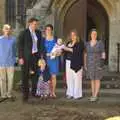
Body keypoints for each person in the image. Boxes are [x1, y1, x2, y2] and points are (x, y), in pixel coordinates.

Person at [18, 17, 43, 102]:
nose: (35, 26)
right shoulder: (23, 33)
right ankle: (25, 95)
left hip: (35, 57)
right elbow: (20, 46)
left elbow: (40, 46)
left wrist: (40, 58)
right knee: (25, 76)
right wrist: (20, 57)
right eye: (34, 24)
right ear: (30, 23)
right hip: (26, 57)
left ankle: (34, 92)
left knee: (35, 75)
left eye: (36, 24)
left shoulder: (38, 33)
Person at [84, 29, 106, 102]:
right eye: (93, 34)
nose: (94, 35)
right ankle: (92, 94)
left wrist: (102, 64)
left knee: (97, 79)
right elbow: (85, 54)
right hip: (90, 64)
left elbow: (103, 53)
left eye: (95, 34)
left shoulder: (100, 43)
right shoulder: (87, 43)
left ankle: (95, 95)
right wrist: (85, 64)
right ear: (90, 35)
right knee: (92, 80)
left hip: (98, 64)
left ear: (97, 35)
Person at [63, 29, 84, 99]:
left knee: (77, 79)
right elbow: (64, 51)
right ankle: (70, 93)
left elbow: (76, 51)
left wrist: (67, 48)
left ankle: (77, 94)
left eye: (74, 35)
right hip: (68, 62)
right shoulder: (68, 43)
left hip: (77, 63)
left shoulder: (80, 43)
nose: (72, 36)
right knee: (69, 78)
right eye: (71, 35)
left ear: (77, 36)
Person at [0, 24, 16, 102]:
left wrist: (14, 59)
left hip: (10, 62)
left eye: (9, 29)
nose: (7, 30)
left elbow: (15, 50)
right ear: (3, 30)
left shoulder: (13, 39)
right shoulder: (0, 39)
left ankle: (9, 94)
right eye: (6, 28)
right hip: (1, 63)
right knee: (2, 79)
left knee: (11, 79)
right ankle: (3, 95)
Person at [43, 24, 60, 98]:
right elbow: (41, 51)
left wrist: (57, 54)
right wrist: (47, 54)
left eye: (49, 29)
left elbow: (59, 50)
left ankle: (53, 92)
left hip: (54, 60)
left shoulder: (55, 39)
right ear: (45, 31)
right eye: (47, 29)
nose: (48, 31)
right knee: (47, 77)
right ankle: (47, 91)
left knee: (53, 77)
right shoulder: (43, 40)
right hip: (46, 60)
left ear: (52, 31)